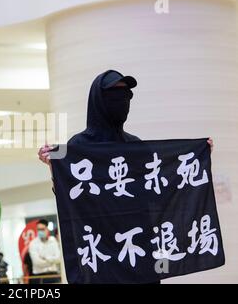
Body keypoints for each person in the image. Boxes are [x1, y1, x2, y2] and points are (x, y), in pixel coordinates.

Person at [38, 69, 214, 283]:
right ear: (99, 100)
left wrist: (197, 157)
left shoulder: (136, 146)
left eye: (126, 95)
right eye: (114, 95)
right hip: (100, 260)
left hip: (139, 256)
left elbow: (159, 194)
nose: (122, 101)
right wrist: (54, 168)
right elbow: (69, 200)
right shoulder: (78, 147)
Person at [28, 219, 61, 284]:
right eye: (38, 229)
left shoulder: (53, 241)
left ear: (47, 229)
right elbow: (37, 262)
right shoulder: (33, 244)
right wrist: (52, 261)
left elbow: (59, 258)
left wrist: (45, 258)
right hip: (39, 277)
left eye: (42, 229)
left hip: (54, 275)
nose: (40, 231)